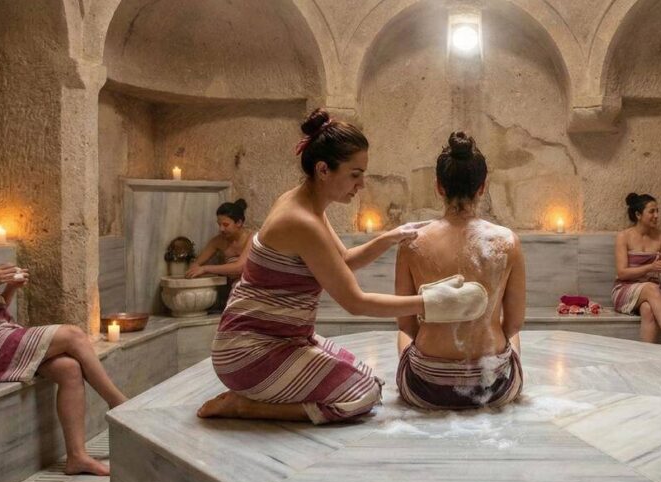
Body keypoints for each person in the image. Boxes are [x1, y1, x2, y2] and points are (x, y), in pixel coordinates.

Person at [197, 110, 488, 424]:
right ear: (324, 169)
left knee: (366, 376)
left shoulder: (306, 205)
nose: (361, 184)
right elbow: (355, 302)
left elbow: (344, 261)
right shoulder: (300, 221)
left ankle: (260, 392)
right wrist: (435, 303)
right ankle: (245, 406)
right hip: (249, 351)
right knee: (362, 395)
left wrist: (390, 237)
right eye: (354, 174)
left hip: (282, 339)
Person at [0, 189, 127, 475]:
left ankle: (76, 456)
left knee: (69, 369)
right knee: (74, 335)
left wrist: (10, 288)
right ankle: (119, 404)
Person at [395, 132, 525, 410]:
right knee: (513, 335)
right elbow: (513, 324)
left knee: (402, 335)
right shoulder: (508, 241)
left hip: (427, 387)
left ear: (439, 187)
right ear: (482, 187)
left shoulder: (411, 241)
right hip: (492, 384)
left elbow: (406, 325)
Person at [612, 193, 661, 347]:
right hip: (625, 289)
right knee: (651, 288)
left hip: (654, 291)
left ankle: (647, 358)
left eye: (657, 211)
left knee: (648, 309)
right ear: (638, 214)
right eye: (651, 211)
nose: (656, 215)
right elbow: (622, 273)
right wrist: (650, 267)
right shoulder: (623, 237)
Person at [185, 199, 252, 279]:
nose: (221, 229)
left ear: (239, 223)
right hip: (234, 285)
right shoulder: (218, 241)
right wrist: (194, 268)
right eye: (219, 224)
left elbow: (239, 268)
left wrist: (205, 269)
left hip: (254, 285)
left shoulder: (252, 238)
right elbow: (196, 264)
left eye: (225, 225)